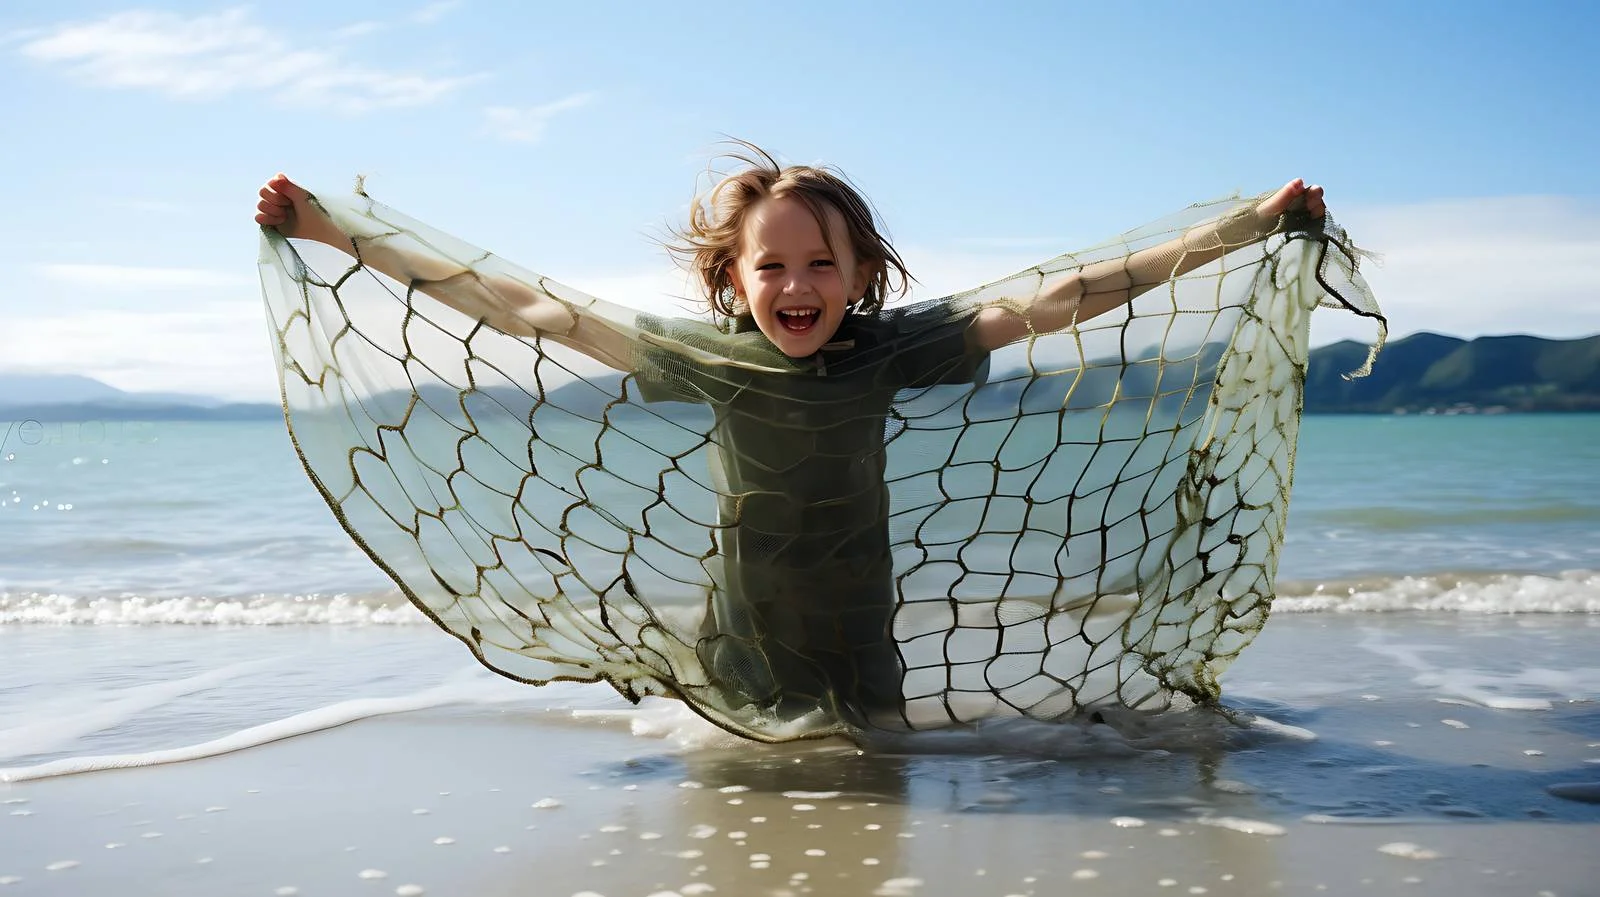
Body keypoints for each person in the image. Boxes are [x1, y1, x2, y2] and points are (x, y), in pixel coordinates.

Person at [255, 146, 1325, 726]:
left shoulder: (895, 350)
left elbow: (1066, 298)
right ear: (732, 280)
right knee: (738, 816)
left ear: (863, 277)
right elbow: (525, 309)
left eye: (822, 263)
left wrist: (1239, 231)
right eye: (771, 266)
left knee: (869, 802)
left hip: (861, 642)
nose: (797, 285)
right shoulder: (710, 358)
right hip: (741, 639)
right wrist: (333, 230)